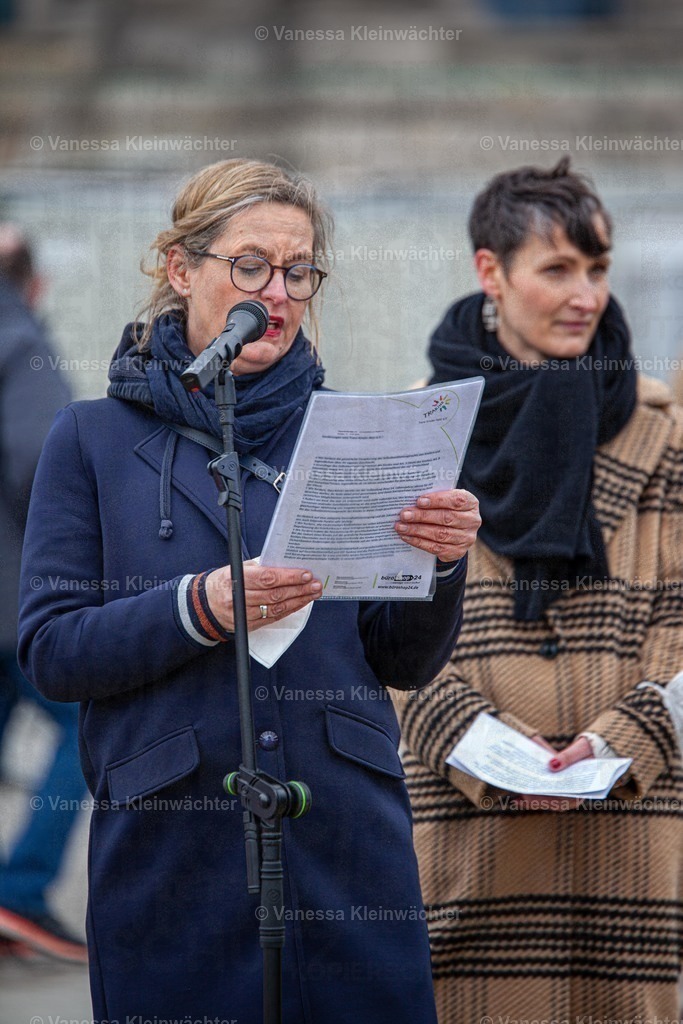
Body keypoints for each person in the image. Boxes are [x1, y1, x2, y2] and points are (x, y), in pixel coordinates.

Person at [17, 158, 481, 1021]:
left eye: (299, 271)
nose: (277, 293)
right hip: (173, 850)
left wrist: (441, 562)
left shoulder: (358, 434)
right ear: (180, 267)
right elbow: (51, 651)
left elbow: (401, 661)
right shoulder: (90, 439)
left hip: (344, 843)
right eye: (251, 265)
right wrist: (195, 610)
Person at [393, 158, 683, 1022]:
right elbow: (379, 627)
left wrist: (624, 738)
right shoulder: (413, 430)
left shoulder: (665, 433)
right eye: (556, 269)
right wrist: (474, 740)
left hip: (627, 826)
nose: (584, 295)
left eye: (596, 269)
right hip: (466, 826)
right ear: (490, 271)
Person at [0, 225, 86, 962]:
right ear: (35, 284)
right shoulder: (21, 343)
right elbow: (41, 462)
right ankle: (21, 891)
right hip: (11, 595)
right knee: (85, 722)